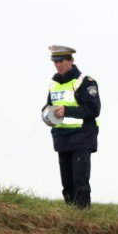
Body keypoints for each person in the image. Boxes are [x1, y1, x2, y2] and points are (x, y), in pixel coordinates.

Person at [42, 45, 101, 209]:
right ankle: (70, 215)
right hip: (62, 139)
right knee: (67, 183)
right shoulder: (54, 83)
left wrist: (67, 110)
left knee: (80, 181)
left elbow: (93, 109)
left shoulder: (85, 82)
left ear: (71, 60)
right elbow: (48, 106)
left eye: (61, 61)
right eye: (55, 61)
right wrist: (46, 114)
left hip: (82, 138)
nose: (58, 64)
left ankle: (83, 217)